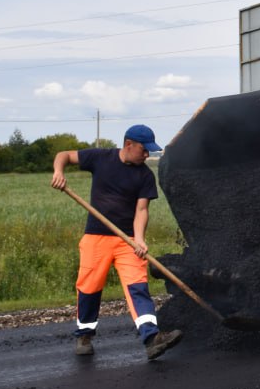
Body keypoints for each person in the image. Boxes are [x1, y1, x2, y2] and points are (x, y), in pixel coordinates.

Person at [51, 124, 183, 361]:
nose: (147, 155)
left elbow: (142, 210)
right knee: (89, 288)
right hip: (96, 237)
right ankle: (84, 335)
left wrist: (139, 239)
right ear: (129, 144)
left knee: (138, 287)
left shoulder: (144, 175)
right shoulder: (100, 158)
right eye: (144, 150)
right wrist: (59, 172)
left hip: (128, 241)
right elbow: (64, 156)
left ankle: (152, 338)